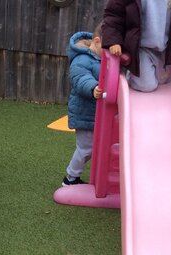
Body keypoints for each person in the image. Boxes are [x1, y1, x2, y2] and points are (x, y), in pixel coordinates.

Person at [102, 0, 171, 92]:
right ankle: (133, 78)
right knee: (145, 85)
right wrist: (113, 40)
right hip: (142, 48)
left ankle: (157, 108)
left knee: (164, 85)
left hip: (166, 49)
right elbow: (114, 14)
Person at [62, 24, 103, 186]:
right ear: (97, 41)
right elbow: (80, 78)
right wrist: (93, 87)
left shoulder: (102, 58)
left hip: (99, 114)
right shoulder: (81, 59)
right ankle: (70, 178)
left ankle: (94, 176)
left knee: (97, 147)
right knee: (86, 148)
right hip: (85, 114)